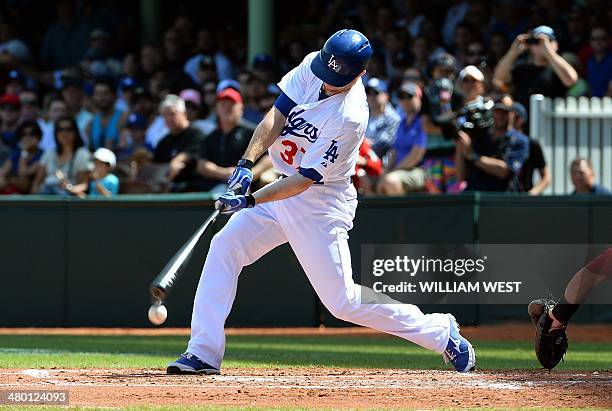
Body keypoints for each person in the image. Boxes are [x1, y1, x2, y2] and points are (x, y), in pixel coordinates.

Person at [166, 29, 475, 375]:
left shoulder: (351, 117)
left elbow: (304, 181)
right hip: (281, 188)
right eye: (327, 74)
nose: (327, 83)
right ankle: (204, 352)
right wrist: (245, 165)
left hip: (320, 203)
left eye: (337, 79)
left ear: (359, 74)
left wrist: (250, 200)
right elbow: (276, 115)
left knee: (343, 302)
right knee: (224, 246)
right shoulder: (315, 65)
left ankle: (440, 332)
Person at [454, 67, 529, 192]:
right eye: (497, 112)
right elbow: (461, 176)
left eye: (504, 112)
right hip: (475, 196)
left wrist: (472, 156)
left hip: (501, 201)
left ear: (512, 114)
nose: (500, 116)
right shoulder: (479, 136)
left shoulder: (519, 140)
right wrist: (460, 145)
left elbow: (503, 171)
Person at [493, 26, 578, 109]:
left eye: (548, 41)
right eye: (537, 42)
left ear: (556, 45)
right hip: (525, 121)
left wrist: (549, 52)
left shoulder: (559, 68)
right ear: (531, 46)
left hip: (551, 119)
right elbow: (499, 77)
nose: (541, 45)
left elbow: (571, 81)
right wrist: (513, 52)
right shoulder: (522, 67)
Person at [196, 88, 259, 192]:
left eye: (231, 104)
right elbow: (202, 165)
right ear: (216, 109)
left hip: (249, 186)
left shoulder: (253, 131)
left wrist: (247, 175)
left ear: (241, 108)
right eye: (223, 104)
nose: (227, 108)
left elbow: (268, 159)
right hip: (216, 186)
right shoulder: (211, 136)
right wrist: (224, 173)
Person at [378, 82, 427, 194]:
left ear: (419, 97)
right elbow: (394, 152)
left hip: (419, 170)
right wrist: (385, 171)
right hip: (399, 169)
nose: (405, 100)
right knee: (376, 180)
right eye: (401, 97)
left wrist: (392, 171)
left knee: (390, 181)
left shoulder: (423, 121)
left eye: (409, 96)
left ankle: (403, 212)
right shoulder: (401, 122)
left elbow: (416, 156)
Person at [153, 95, 205, 192]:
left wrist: (178, 161)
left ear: (184, 113)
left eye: (172, 114)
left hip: (191, 187)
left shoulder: (196, 134)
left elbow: (189, 155)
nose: (168, 118)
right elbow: (157, 167)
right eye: (165, 115)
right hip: (167, 189)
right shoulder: (163, 142)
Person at [32, 116, 91, 194]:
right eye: (60, 130)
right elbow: (37, 182)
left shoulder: (82, 154)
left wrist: (70, 188)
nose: (64, 133)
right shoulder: (49, 153)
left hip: (67, 199)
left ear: (75, 132)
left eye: (68, 129)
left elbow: (84, 185)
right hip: (45, 196)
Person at [512, 101, 550, 195]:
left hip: (524, 195)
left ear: (520, 120)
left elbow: (546, 177)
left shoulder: (532, 144)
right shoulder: (499, 142)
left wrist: (531, 194)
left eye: (513, 117)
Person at [0, 120, 44, 194]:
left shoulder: (42, 155)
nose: (27, 137)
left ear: (38, 136)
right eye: (24, 134)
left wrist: (24, 152)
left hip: (30, 191)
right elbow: (2, 172)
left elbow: (23, 174)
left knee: (23, 181)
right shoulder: (16, 153)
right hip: (13, 187)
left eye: (32, 134)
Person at [85, 79, 127, 151]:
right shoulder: (91, 122)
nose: (101, 98)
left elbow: (126, 146)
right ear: (93, 97)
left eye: (105, 93)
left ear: (114, 95)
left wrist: (115, 147)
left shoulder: (123, 118)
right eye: (98, 94)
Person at [364, 78, 400, 158]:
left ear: (386, 96)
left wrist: (361, 142)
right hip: (361, 156)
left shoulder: (393, 119)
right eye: (369, 93)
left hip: (380, 162)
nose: (371, 96)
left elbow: (381, 145)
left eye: (376, 93)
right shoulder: (361, 113)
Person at [586, 26, 612, 98]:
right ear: (590, 41)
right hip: (594, 104)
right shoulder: (590, 61)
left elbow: (611, 92)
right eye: (594, 39)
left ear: (609, 40)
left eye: (602, 38)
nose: (598, 42)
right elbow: (590, 88)